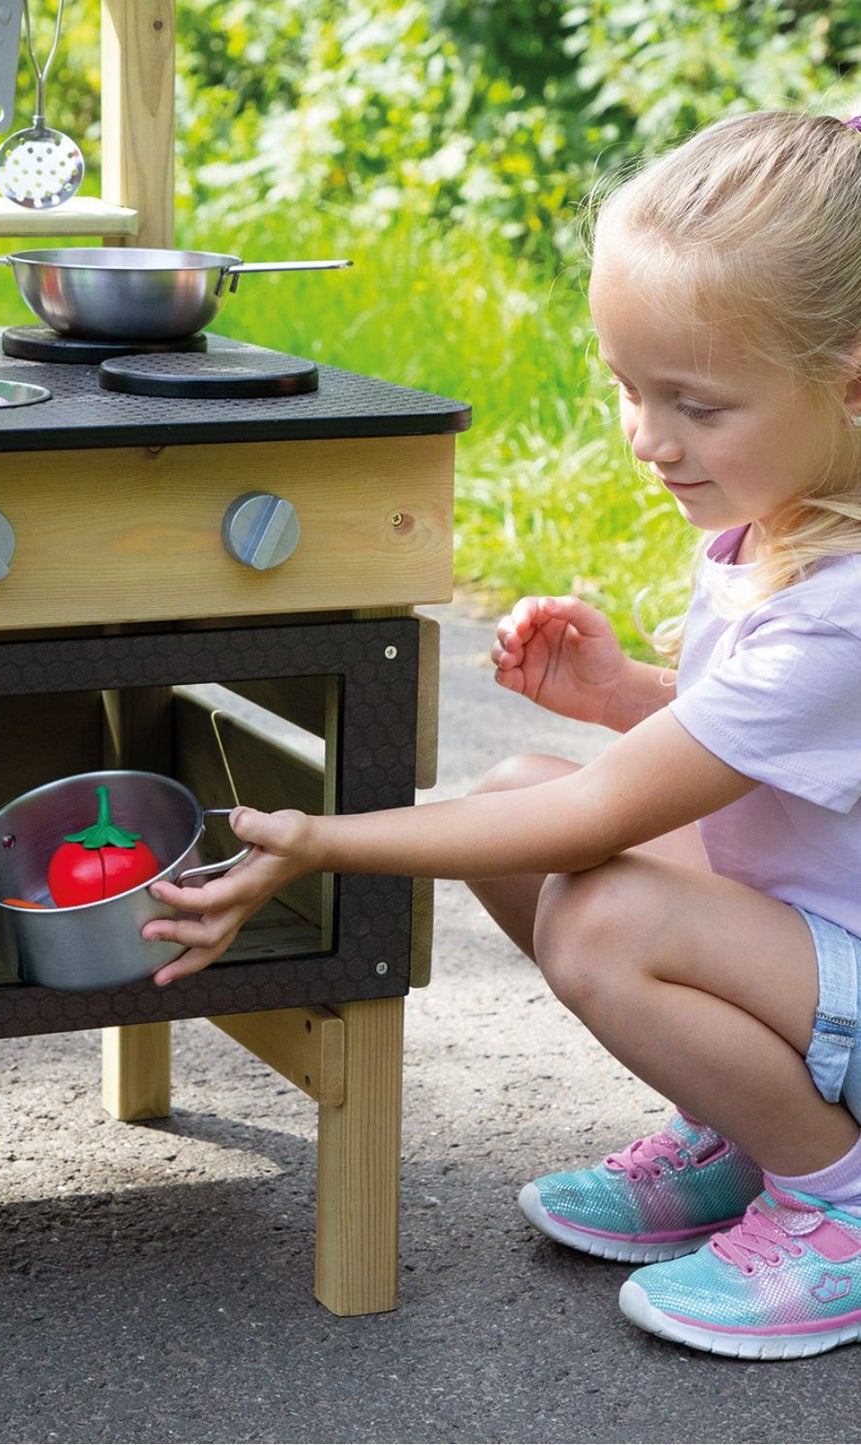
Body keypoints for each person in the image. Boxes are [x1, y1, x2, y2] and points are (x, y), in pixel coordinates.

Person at [143, 108, 861, 1361]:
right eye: (626, 387)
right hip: (818, 945)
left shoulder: (842, 608)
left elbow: (605, 817)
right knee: (513, 795)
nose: (646, 436)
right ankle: (754, 1133)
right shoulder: (779, 520)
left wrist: (319, 835)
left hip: (832, 961)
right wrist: (620, 696)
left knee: (601, 907)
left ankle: (836, 1195)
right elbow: (780, 763)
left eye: (691, 402)